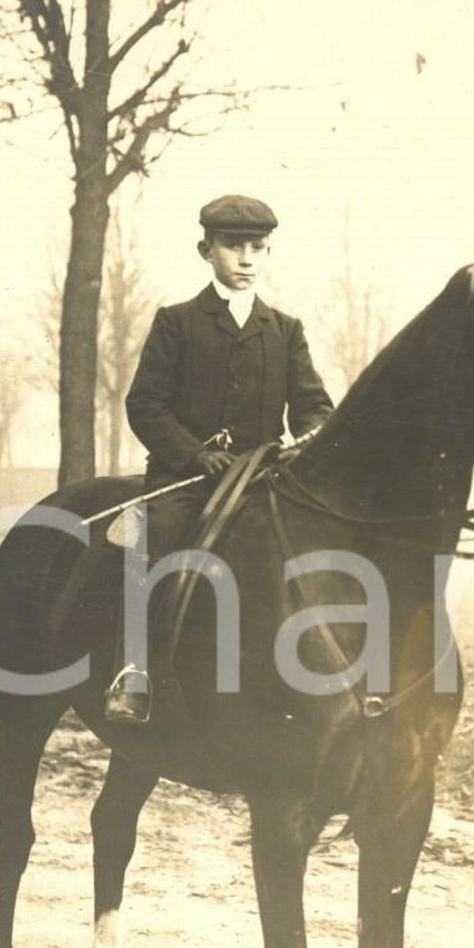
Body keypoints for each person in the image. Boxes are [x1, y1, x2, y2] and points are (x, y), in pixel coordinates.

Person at [105, 193, 334, 722]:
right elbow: (145, 404)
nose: (247, 259)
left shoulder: (284, 330)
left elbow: (313, 405)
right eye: (234, 247)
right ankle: (133, 674)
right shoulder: (177, 322)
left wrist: (311, 433)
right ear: (206, 250)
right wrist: (193, 454)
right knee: (152, 541)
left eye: (259, 247)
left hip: (261, 480)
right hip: (186, 480)